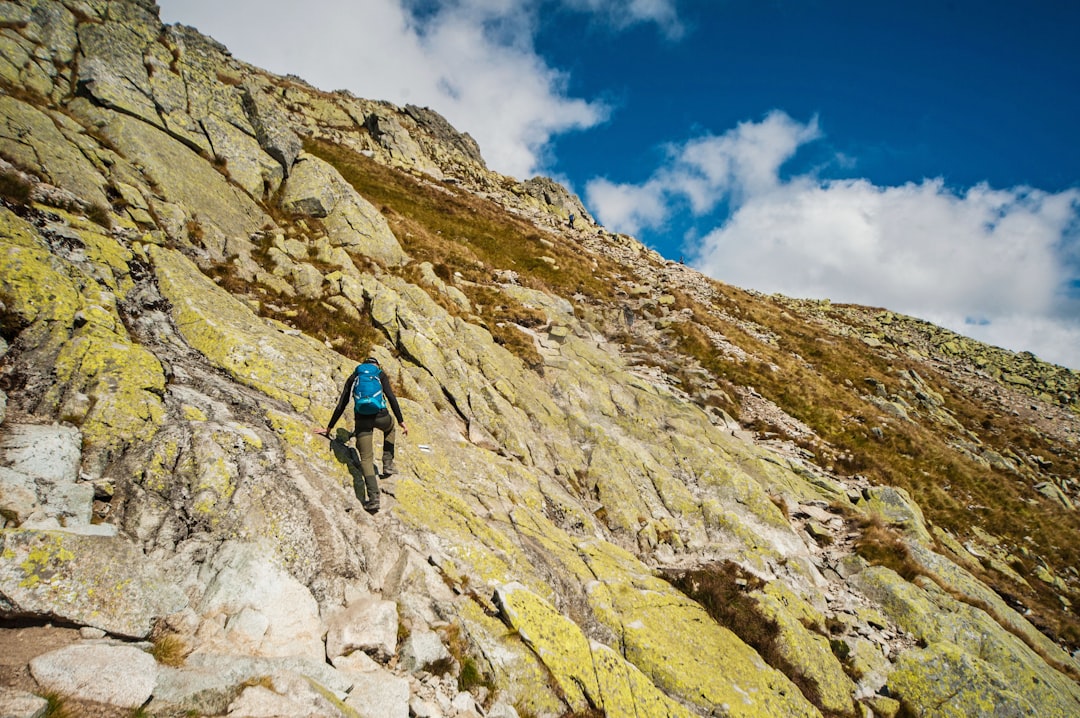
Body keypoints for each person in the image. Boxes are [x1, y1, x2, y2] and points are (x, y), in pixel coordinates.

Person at [314, 357, 407, 513]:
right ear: (376, 365)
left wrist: (329, 428)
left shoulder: (355, 376)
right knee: (390, 429)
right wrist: (400, 420)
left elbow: (342, 403)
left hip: (362, 420)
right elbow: (391, 397)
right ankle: (388, 464)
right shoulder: (379, 374)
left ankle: (374, 498)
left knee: (366, 458)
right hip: (381, 416)